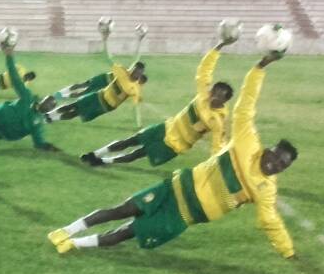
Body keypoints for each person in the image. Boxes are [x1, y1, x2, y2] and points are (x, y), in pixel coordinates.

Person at [48, 49, 297, 259]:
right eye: (275, 157)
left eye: (281, 165)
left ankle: (73, 244)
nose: (275, 164)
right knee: (123, 208)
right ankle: (66, 230)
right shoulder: (247, 142)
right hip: (177, 183)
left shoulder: (265, 188)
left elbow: (270, 221)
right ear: (268, 150)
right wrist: (260, 66)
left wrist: (287, 250)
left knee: (129, 230)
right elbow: (246, 103)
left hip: (185, 211)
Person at [81, 25, 238, 167]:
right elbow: (204, 70)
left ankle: (103, 161)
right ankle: (95, 154)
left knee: (137, 154)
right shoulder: (204, 94)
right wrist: (219, 46)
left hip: (174, 144)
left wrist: (216, 166)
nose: (213, 96)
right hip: (166, 127)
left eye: (219, 96)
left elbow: (217, 146)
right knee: (131, 140)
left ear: (225, 101)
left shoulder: (217, 121)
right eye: (214, 92)